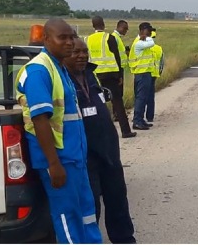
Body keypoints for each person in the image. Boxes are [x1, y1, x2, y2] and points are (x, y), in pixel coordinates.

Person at [15, 18, 102, 244]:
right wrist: (54, 164)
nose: (69, 42)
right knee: (67, 216)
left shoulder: (60, 68)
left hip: (75, 158)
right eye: (62, 37)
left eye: (71, 36)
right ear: (46, 39)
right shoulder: (39, 71)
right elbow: (40, 119)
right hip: (59, 159)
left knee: (86, 213)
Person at [64, 37, 137, 244]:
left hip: (108, 152)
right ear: (64, 55)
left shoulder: (90, 74)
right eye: (76, 52)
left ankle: (124, 239)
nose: (82, 56)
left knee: (118, 200)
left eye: (85, 51)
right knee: (91, 206)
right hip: (85, 156)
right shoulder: (62, 81)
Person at [85, 16, 136, 138]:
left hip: (94, 74)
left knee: (95, 102)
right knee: (117, 102)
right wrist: (119, 75)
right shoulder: (109, 37)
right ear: (103, 24)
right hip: (110, 74)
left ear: (93, 26)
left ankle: (98, 133)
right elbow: (117, 57)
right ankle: (125, 131)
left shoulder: (87, 39)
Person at [128, 22, 155, 130]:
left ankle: (140, 119)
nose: (150, 33)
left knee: (144, 98)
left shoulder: (142, 41)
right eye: (149, 31)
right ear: (143, 30)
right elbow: (151, 43)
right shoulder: (139, 43)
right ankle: (137, 120)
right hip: (142, 73)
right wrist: (146, 37)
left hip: (145, 73)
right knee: (141, 98)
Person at [145, 27, 165, 125]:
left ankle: (139, 115)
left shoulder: (144, 46)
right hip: (154, 74)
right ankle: (150, 116)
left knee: (140, 96)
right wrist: (159, 72)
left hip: (145, 72)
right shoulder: (159, 48)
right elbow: (162, 62)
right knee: (150, 96)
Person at [111, 20, 130, 121]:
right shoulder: (114, 37)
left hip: (120, 68)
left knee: (119, 93)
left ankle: (117, 113)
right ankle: (116, 114)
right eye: (125, 29)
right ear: (120, 27)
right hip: (117, 69)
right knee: (117, 93)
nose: (126, 31)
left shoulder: (118, 38)